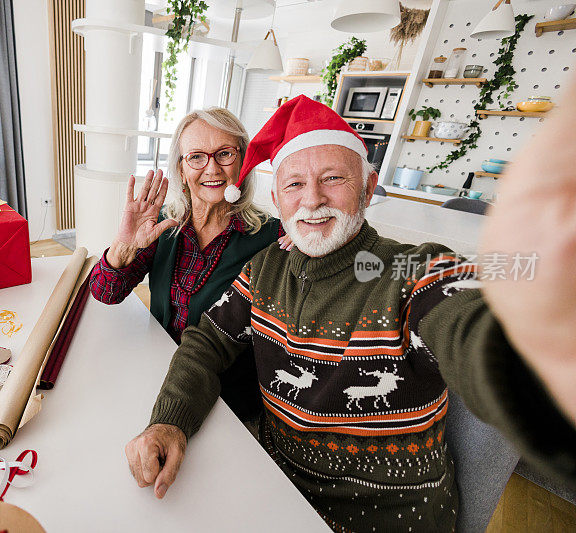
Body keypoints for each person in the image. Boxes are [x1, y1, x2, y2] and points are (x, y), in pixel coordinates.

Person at [124, 94, 576, 532]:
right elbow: (208, 341)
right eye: (295, 184)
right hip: (272, 483)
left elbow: (471, 325)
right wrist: (171, 420)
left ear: (368, 186)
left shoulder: (411, 269)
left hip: (381, 518)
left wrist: (545, 344)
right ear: (278, 198)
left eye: (333, 179)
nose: (312, 199)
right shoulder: (265, 266)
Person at [89, 107, 289, 422]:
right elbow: (105, 293)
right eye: (196, 157)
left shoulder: (273, 236)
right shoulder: (161, 223)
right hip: (157, 372)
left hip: (227, 398)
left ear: (243, 162)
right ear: (182, 169)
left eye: (224, 153)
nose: (211, 168)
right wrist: (123, 246)